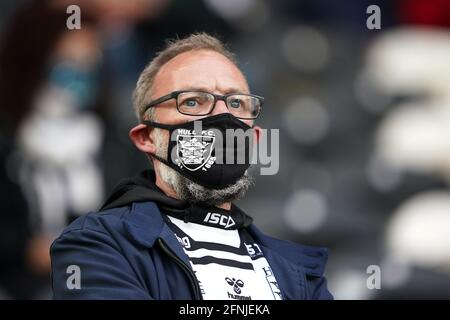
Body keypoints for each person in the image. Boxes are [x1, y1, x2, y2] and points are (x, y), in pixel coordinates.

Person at [50, 33, 333, 300]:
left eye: (236, 102)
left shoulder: (300, 272)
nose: (222, 116)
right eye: (193, 101)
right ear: (147, 137)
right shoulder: (97, 246)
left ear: (254, 138)